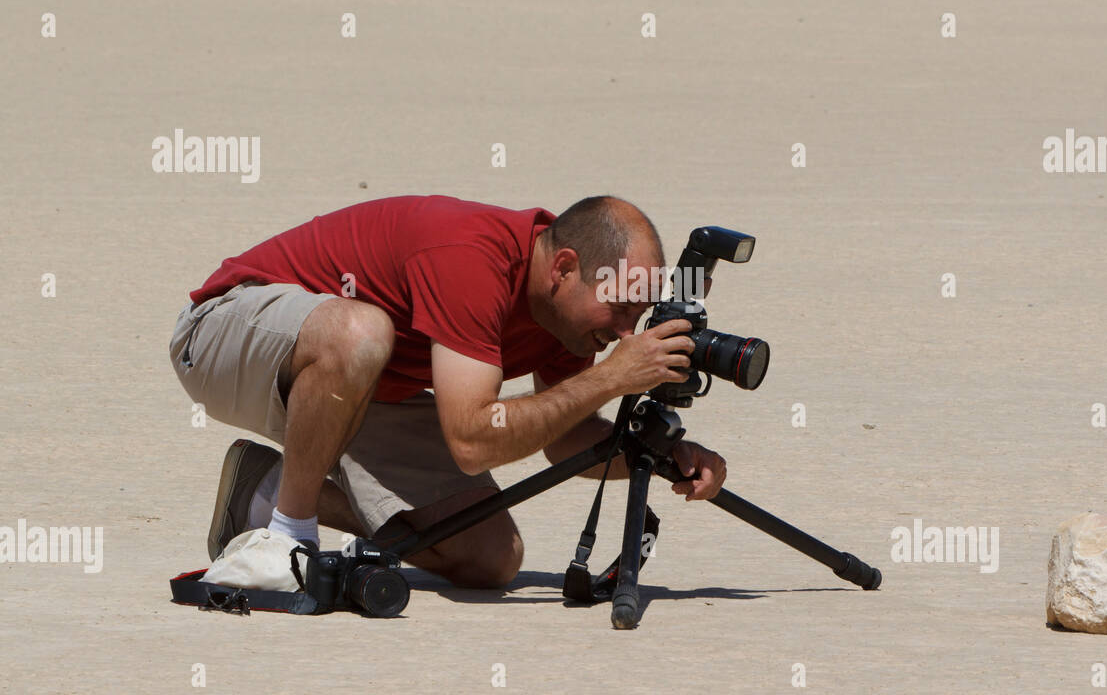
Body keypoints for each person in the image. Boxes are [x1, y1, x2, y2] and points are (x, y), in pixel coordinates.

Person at [168, 194, 726, 589]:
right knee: (362, 332)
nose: (626, 332)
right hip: (224, 331)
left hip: (367, 382)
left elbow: (564, 438)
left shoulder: (568, 317)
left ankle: (260, 494)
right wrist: (611, 377)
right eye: (621, 308)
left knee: (490, 557)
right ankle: (288, 540)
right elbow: (472, 441)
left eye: (638, 312)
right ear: (564, 267)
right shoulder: (471, 260)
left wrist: (658, 455)